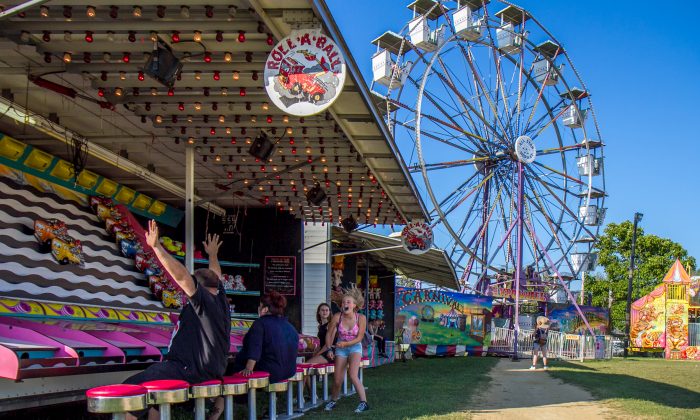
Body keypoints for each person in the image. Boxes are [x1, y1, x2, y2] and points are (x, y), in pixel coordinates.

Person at [124, 222, 230, 420]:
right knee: (155, 396)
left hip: (188, 368)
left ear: (199, 287)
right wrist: (213, 254)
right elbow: (216, 274)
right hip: (207, 368)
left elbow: (181, 277)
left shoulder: (204, 302)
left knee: (129, 392)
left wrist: (156, 247)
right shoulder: (220, 297)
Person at [212, 291, 299, 418]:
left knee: (226, 376)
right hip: (288, 371)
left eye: (259, 306)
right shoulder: (289, 326)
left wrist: (248, 369)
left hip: (270, 372)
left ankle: (213, 414)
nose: (258, 308)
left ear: (265, 309)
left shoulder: (260, 323)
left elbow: (255, 349)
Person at [324, 287, 369, 413]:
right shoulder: (337, 317)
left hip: (355, 346)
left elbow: (359, 338)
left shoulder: (361, 318)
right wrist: (329, 349)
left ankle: (364, 403)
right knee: (337, 379)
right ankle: (333, 400)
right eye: (343, 302)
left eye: (348, 302)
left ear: (354, 305)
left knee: (353, 375)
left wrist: (346, 343)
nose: (345, 304)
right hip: (341, 348)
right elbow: (328, 334)